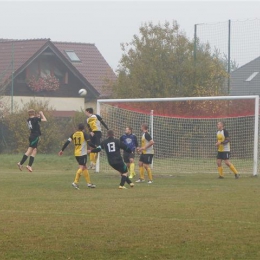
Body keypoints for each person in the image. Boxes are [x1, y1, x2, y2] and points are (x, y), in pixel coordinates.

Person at [58, 123, 96, 189]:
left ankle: (89, 183)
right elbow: (89, 143)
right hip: (82, 153)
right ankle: (75, 182)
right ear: (83, 128)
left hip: (76, 153)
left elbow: (67, 142)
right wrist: (96, 147)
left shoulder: (73, 134)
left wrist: (62, 150)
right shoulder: (84, 134)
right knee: (81, 167)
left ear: (78, 128)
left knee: (85, 167)